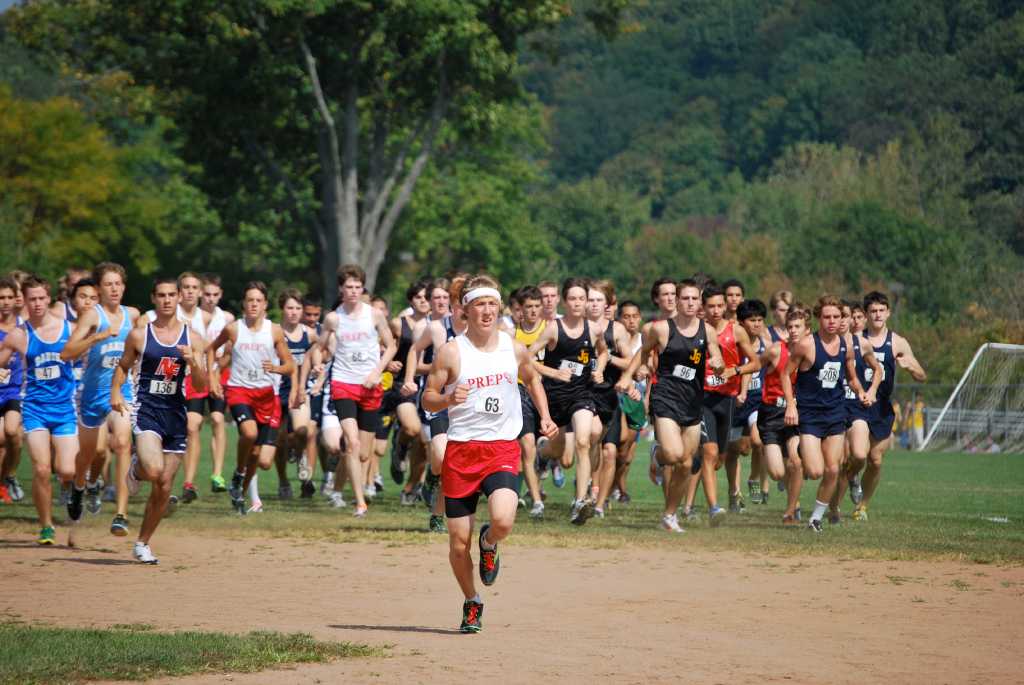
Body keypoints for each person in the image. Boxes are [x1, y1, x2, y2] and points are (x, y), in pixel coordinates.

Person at [420, 274, 556, 633]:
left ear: (499, 308)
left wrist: (544, 416)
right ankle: (472, 600)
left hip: (501, 447)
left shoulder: (512, 347)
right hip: (462, 451)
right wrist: (447, 399)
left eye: (492, 304)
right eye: (479, 304)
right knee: (458, 544)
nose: (486, 311)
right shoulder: (452, 351)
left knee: (503, 520)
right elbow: (427, 397)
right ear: (465, 309)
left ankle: (490, 541)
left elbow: (533, 378)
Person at [112, 276, 208, 563]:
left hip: (176, 415)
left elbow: (202, 385)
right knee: (154, 471)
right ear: (154, 299)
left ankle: (142, 543)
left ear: (179, 297)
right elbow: (123, 366)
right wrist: (116, 391)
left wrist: (192, 362)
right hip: (147, 410)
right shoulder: (140, 335)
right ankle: (136, 469)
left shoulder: (194, 339)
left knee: (165, 485)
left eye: (171, 295)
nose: (167, 300)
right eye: (161, 295)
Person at [616, 278, 723, 533]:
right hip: (665, 397)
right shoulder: (662, 329)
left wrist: (718, 363)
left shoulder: (706, 331)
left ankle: (669, 515)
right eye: (684, 298)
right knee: (674, 455)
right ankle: (658, 455)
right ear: (676, 301)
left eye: (694, 299)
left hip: (692, 401)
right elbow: (642, 353)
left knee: (687, 463)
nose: (689, 302)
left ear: (700, 303)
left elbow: (715, 353)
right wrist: (627, 376)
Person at [60, 263, 140, 536]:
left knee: (121, 443)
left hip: (121, 392)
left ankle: (120, 514)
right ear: (99, 288)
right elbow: (67, 352)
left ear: (124, 287)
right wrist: (98, 337)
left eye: (118, 283)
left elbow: (141, 347)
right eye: (108, 284)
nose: (114, 289)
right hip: (91, 395)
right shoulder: (92, 316)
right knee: (88, 454)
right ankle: (79, 488)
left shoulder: (133, 315)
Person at [0, 275, 79, 545]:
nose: (36, 304)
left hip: (65, 409)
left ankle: (72, 490)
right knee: (42, 469)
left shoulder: (69, 328)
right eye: (31, 299)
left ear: (49, 299)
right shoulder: (19, 335)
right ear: (25, 300)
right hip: (34, 409)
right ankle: (46, 526)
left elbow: (89, 355)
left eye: (41, 298)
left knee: (67, 469)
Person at [782, 295, 871, 532]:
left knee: (833, 469)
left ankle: (815, 519)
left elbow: (851, 376)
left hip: (835, 413)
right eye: (827, 317)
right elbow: (785, 374)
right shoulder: (807, 345)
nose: (832, 321)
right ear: (819, 319)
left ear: (842, 319)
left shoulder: (846, 345)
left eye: (836, 316)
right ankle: (801, 448)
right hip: (810, 415)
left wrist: (861, 391)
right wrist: (791, 404)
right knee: (815, 470)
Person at [208, 282, 296, 514]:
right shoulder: (234, 329)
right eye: (250, 300)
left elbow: (290, 365)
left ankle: (239, 492)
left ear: (265, 304)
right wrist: (213, 377)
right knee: (249, 433)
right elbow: (210, 349)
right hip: (239, 391)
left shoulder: (274, 330)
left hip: (267, 395)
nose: (254, 304)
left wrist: (277, 369)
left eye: (258, 300)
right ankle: (238, 472)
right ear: (244, 304)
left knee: (260, 457)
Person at [528, 277, 608, 525]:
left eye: (581, 299)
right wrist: (552, 373)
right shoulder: (554, 328)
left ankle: (579, 502)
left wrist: (600, 369)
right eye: (572, 298)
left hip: (582, 395)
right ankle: (543, 454)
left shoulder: (594, 329)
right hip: (555, 398)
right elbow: (526, 357)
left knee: (584, 442)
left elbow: (603, 351)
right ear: (564, 301)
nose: (577, 303)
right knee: (562, 454)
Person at [319, 265, 397, 518]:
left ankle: (338, 480)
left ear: (362, 288)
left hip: (370, 386)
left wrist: (378, 371)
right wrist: (319, 362)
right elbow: (320, 347)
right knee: (351, 442)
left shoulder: (374, 315)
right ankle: (360, 502)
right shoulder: (333, 318)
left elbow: (391, 345)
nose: (353, 292)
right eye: (348, 287)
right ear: (341, 289)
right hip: (343, 383)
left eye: (357, 287)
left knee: (363, 453)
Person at [686, 283, 760, 523]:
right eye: (711, 306)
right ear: (703, 307)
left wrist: (734, 371)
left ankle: (697, 500)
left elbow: (755, 363)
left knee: (720, 458)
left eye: (720, 305)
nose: (716, 310)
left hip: (726, 399)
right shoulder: (695, 331)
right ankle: (713, 507)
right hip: (702, 398)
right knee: (709, 452)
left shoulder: (736, 331)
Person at [850, 291, 927, 521]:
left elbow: (922, 375)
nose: (877, 315)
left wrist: (911, 368)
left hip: (882, 407)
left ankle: (862, 507)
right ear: (865, 314)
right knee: (859, 454)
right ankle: (851, 476)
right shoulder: (856, 339)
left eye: (881, 310)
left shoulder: (897, 342)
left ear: (888, 313)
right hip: (857, 404)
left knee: (875, 459)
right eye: (872, 311)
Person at [757, 307, 808, 523]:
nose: (793, 331)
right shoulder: (775, 350)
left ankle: (791, 510)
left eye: (798, 327)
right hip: (770, 415)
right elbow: (755, 366)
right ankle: (782, 477)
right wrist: (735, 373)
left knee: (796, 462)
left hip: (795, 416)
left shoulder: (811, 352)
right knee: (778, 473)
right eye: (790, 327)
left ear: (807, 329)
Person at [274, 288, 318, 499]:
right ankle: (283, 482)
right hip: (276, 390)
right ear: (282, 309)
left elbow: (318, 351)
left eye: (298, 308)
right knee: (280, 440)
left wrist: (317, 367)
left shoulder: (309, 334)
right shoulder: (274, 331)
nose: (293, 312)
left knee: (303, 431)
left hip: (300, 389)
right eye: (290, 308)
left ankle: (300, 459)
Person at [511, 285, 547, 518]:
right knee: (526, 446)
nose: (533, 311)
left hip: (549, 394)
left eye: (536, 306)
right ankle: (536, 501)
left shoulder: (550, 330)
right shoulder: (512, 335)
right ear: (520, 310)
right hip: (521, 393)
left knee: (564, 456)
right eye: (528, 307)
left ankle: (546, 460)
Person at [198, 274, 235, 495]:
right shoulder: (190, 317)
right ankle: (187, 479)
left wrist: (217, 369)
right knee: (191, 424)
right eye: (207, 294)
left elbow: (229, 351)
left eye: (215, 295)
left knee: (218, 419)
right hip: (193, 375)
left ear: (220, 295)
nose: (211, 299)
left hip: (218, 373)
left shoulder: (227, 318)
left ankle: (217, 473)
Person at [0, 278, 24, 503]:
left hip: (14, 392)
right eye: (1, 298)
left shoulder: (23, 326)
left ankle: (10, 475)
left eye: (9, 297)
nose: (5, 302)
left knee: (12, 432)